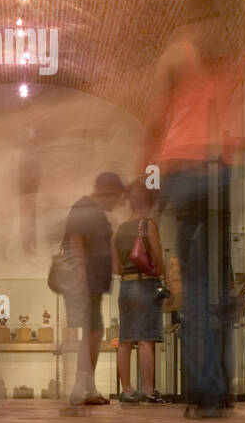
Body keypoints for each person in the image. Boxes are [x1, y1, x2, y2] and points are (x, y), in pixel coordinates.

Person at [142, 0, 244, 418]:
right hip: (219, 171)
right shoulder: (228, 55)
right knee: (220, 284)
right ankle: (221, 389)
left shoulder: (177, 53)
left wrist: (146, 177)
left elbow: (154, 122)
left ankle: (203, 393)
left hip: (183, 171)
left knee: (197, 288)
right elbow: (237, 124)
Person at [62, 171, 125, 406]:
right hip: (85, 282)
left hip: (94, 282)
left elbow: (106, 245)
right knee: (91, 334)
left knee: (93, 333)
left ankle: (88, 387)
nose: (117, 202)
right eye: (116, 195)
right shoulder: (85, 208)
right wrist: (79, 272)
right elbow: (75, 238)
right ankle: (81, 388)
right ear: (107, 191)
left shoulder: (97, 213)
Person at [114, 179, 169, 404]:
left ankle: (127, 391)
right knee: (146, 338)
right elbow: (156, 253)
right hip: (145, 284)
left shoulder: (120, 228)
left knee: (126, 339)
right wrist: (163, 275)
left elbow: (116, 265)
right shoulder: (148, 224)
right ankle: (148, 391)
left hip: (125, 286)